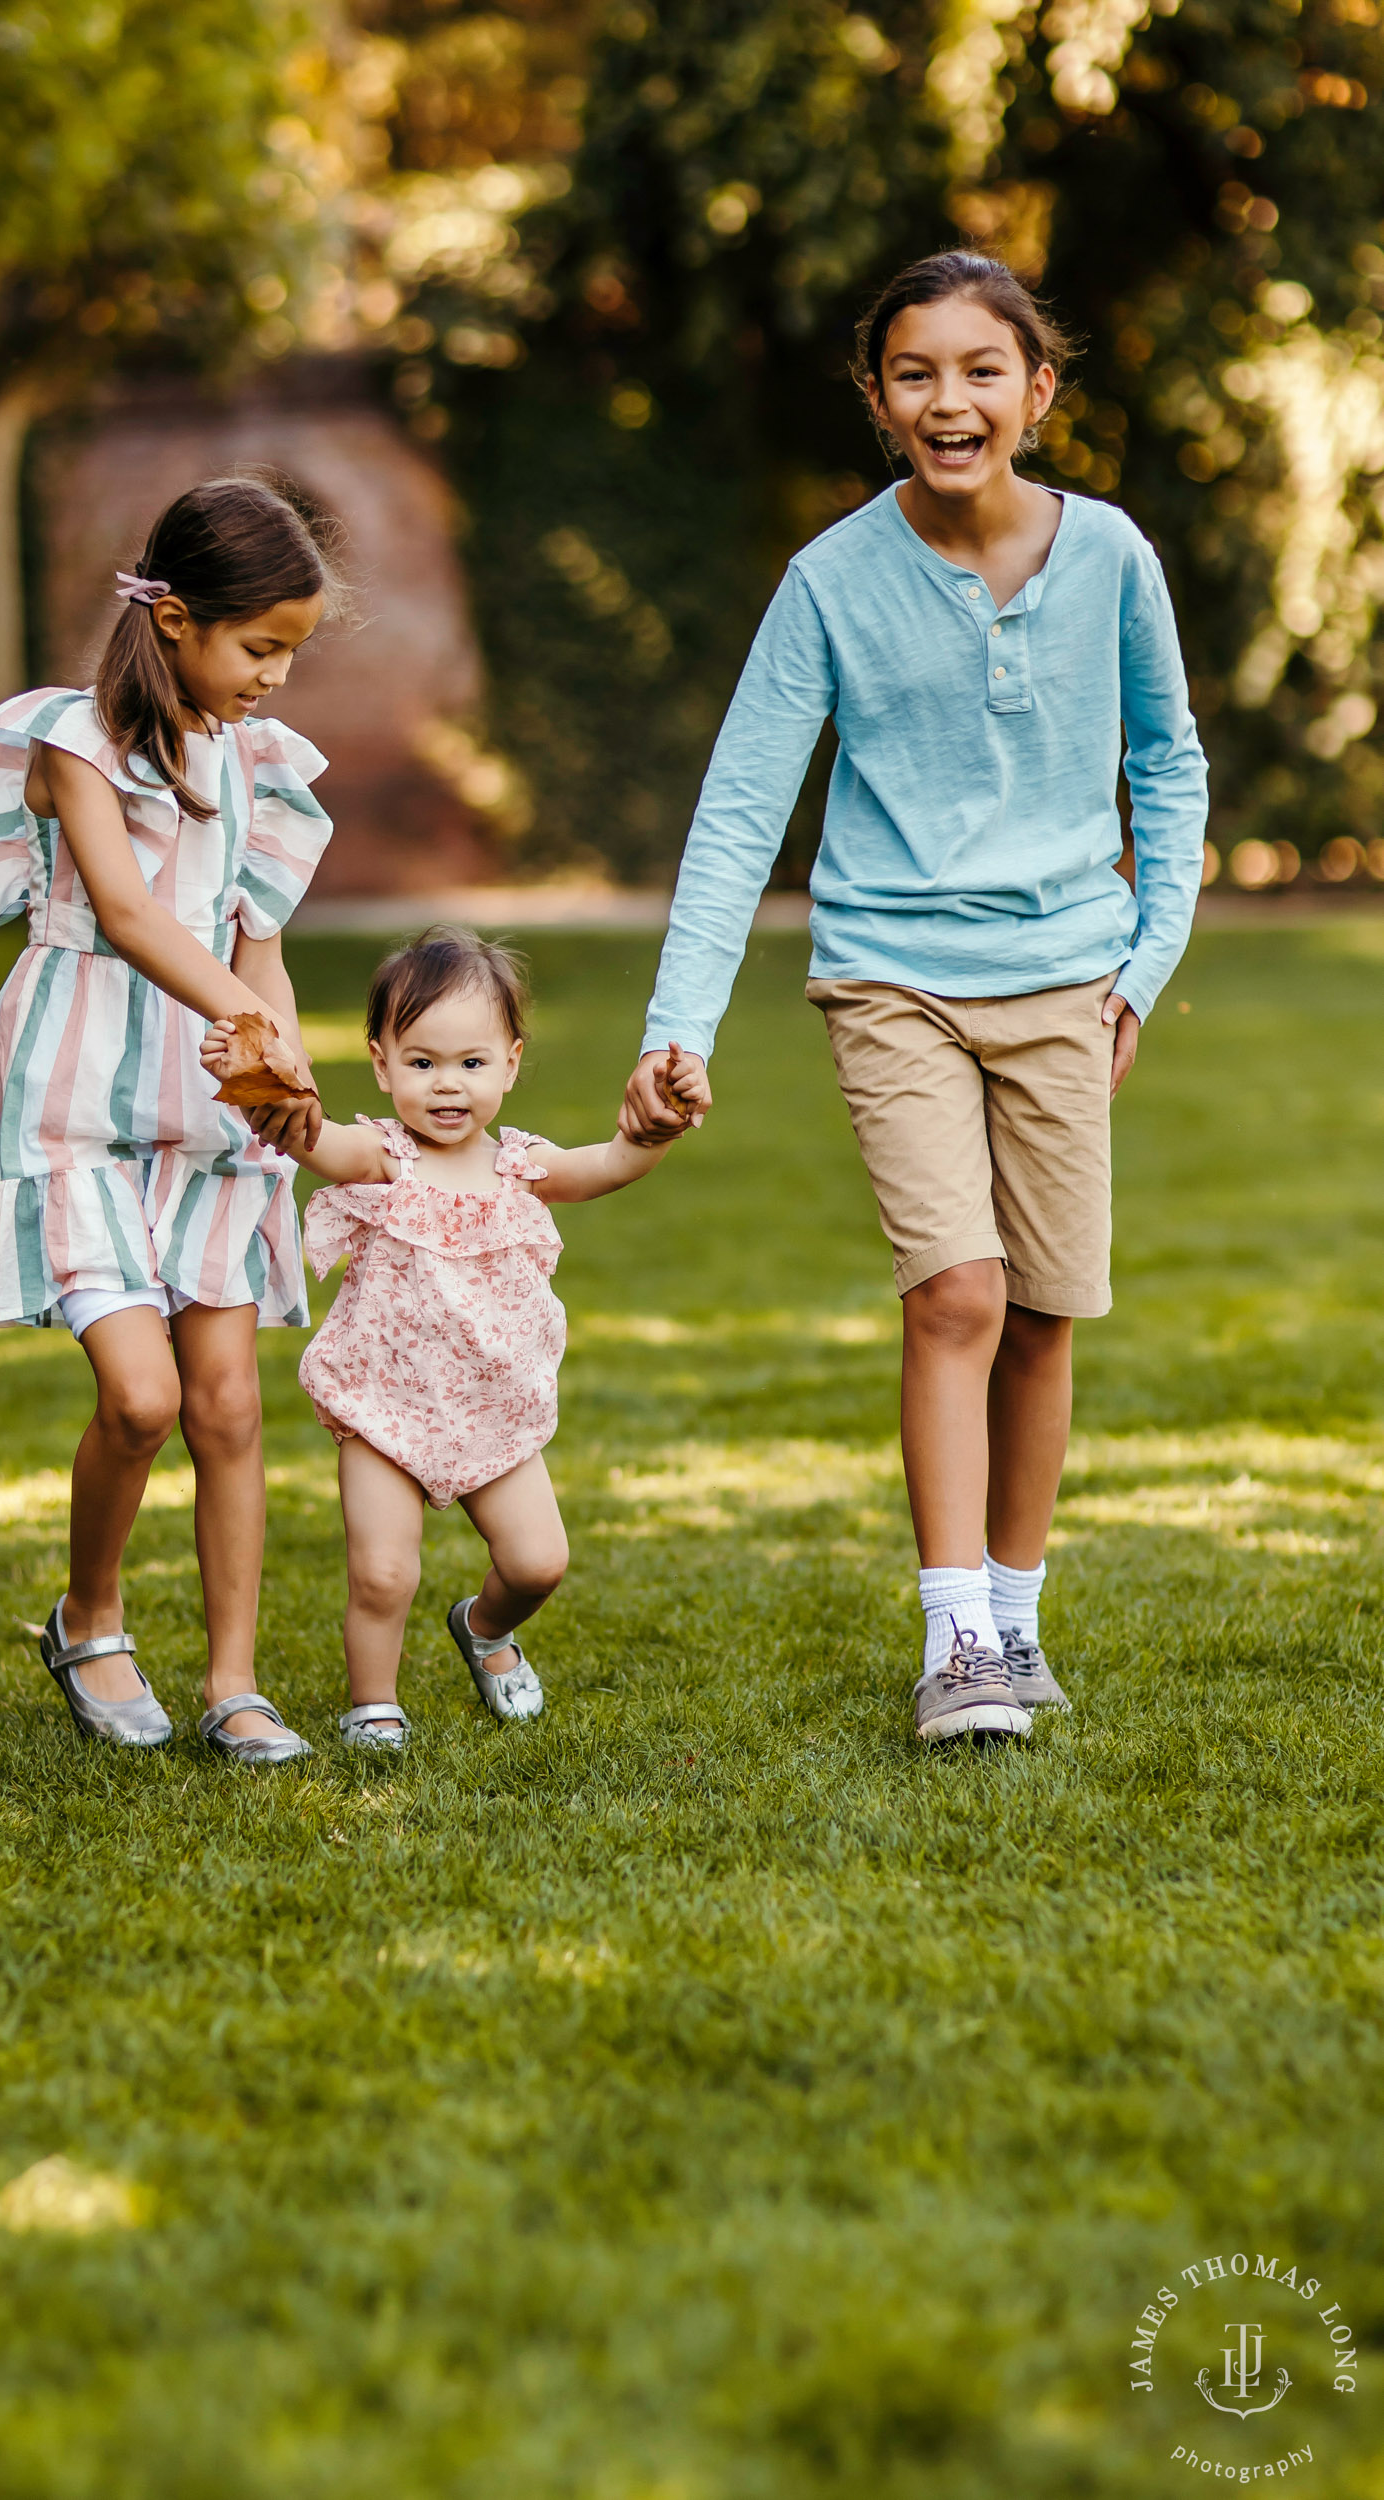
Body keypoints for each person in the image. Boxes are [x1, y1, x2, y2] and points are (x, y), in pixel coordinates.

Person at [619, 250, 1208, 1744]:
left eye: (979, 370)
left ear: (1037, 390)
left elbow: (1168, 766)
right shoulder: (828, 580)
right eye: (914, 374)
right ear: (878, 402)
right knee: (956, 1289)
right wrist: (672, 1027)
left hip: (1068, 974)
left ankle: (1016, 1622)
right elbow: (742, 807)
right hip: (890, 976)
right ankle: (954, 1642)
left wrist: (1138, 970)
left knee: (1045, 1310)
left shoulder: (1113, 556)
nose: (948, 400)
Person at [0, 476, 340, 1768]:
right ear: (173, 622)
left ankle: (235, 1681)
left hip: (209, 1113)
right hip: (73, 1100)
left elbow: (257, 947)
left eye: (291, 654)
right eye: (260, 648)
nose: (275, 679)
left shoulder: (259, 764)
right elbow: (135, 916)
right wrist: (244, 1021)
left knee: (227, 1406)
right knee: (141, 1399)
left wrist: (287, 1072)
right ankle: (88, 1615)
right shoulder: (72, 745)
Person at [210, 928, 678, 1752]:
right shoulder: (384, 1159)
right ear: (382, 1064)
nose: (447, 1085)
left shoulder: (521, 1167)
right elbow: (314, 1139)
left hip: (492, 1410)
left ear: (511, 1062)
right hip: (386, 1405)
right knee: (383, 1573)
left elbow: (606, 1164)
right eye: (421, 1063)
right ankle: (374, 1704)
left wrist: (651, 1134)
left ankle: (485, 1629)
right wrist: (261, 1086)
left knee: (538, 1562)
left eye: (470, 1062)